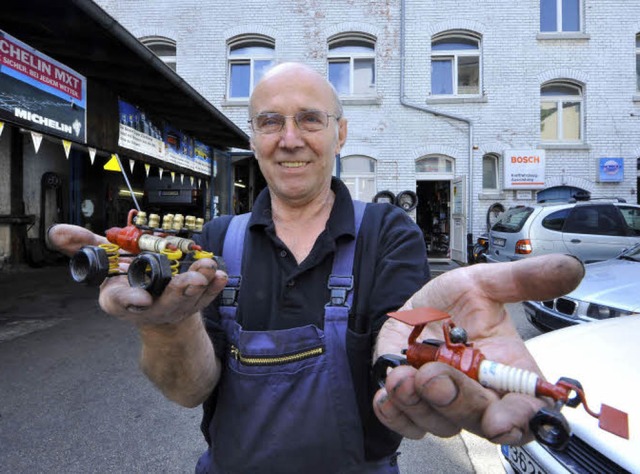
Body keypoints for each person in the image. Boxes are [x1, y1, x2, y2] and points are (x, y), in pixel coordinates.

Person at [48, 62, 585, 473]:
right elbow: (190, 391)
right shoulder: (215, 243)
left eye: (309, 119)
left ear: (340, 134)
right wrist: (166, 324)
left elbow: (396, 342)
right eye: (270, 122)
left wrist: (416, 358)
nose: (289, 138)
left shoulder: (386, 233)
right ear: (253, 137)